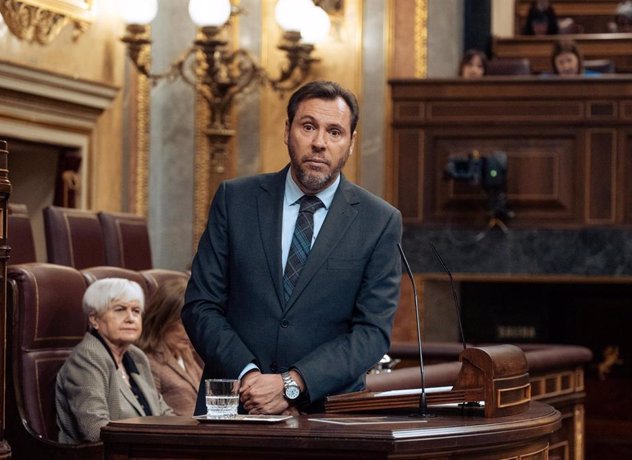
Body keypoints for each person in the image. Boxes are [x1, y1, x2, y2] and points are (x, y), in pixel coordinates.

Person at [182, 80, 403, 416]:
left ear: (351, 143)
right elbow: (200, 305)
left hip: (325, 414)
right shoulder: (235, 200)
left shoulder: (379, 221)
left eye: (334, 132)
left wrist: (292, 382)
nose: (319, 143)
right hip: (234, 407)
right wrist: (249, 376)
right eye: (308, 126)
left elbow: (371, 333)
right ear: (287, 130)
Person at [56, 278, 173, 443]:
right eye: (120, 309)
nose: (130, 318)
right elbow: (94, 429)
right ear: (94, 319)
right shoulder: (87, 358)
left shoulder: (136, 356)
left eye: (136, 311)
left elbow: (162, 413)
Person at [137, 277, 203, 416]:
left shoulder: (185, 352)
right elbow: (152, 414)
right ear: (163, 319)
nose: (191, 330)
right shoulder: (147, 361)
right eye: (183, 323)